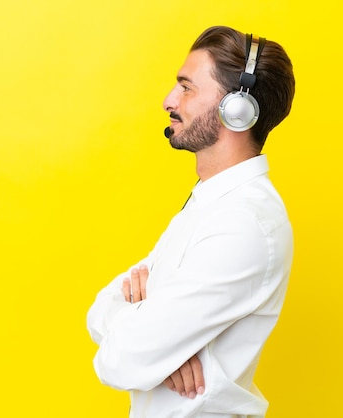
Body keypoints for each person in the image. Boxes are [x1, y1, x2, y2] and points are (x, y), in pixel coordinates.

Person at [86, 25, 295, 417]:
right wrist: (156, 343)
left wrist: (149, 347)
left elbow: (121, 362)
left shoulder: (243, 223)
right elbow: (99, 309)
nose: (169, 100)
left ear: (238, 110)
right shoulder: (209, 203)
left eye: (187, 87)